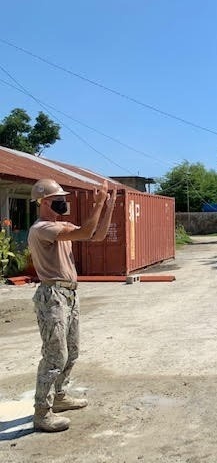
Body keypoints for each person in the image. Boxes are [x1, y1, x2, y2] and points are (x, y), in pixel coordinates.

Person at [28, 178, 116, 432]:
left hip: (69, 295)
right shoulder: (43, 229)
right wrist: (98, 203)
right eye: (59, 199)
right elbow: (87, 232)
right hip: (52, 295)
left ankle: (60, 396)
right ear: (45, 202)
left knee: (72, 351)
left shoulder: (61, 226)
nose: (63, 202)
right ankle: (42, 413)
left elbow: (96, 236)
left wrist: (108, 207)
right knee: (55, 356)